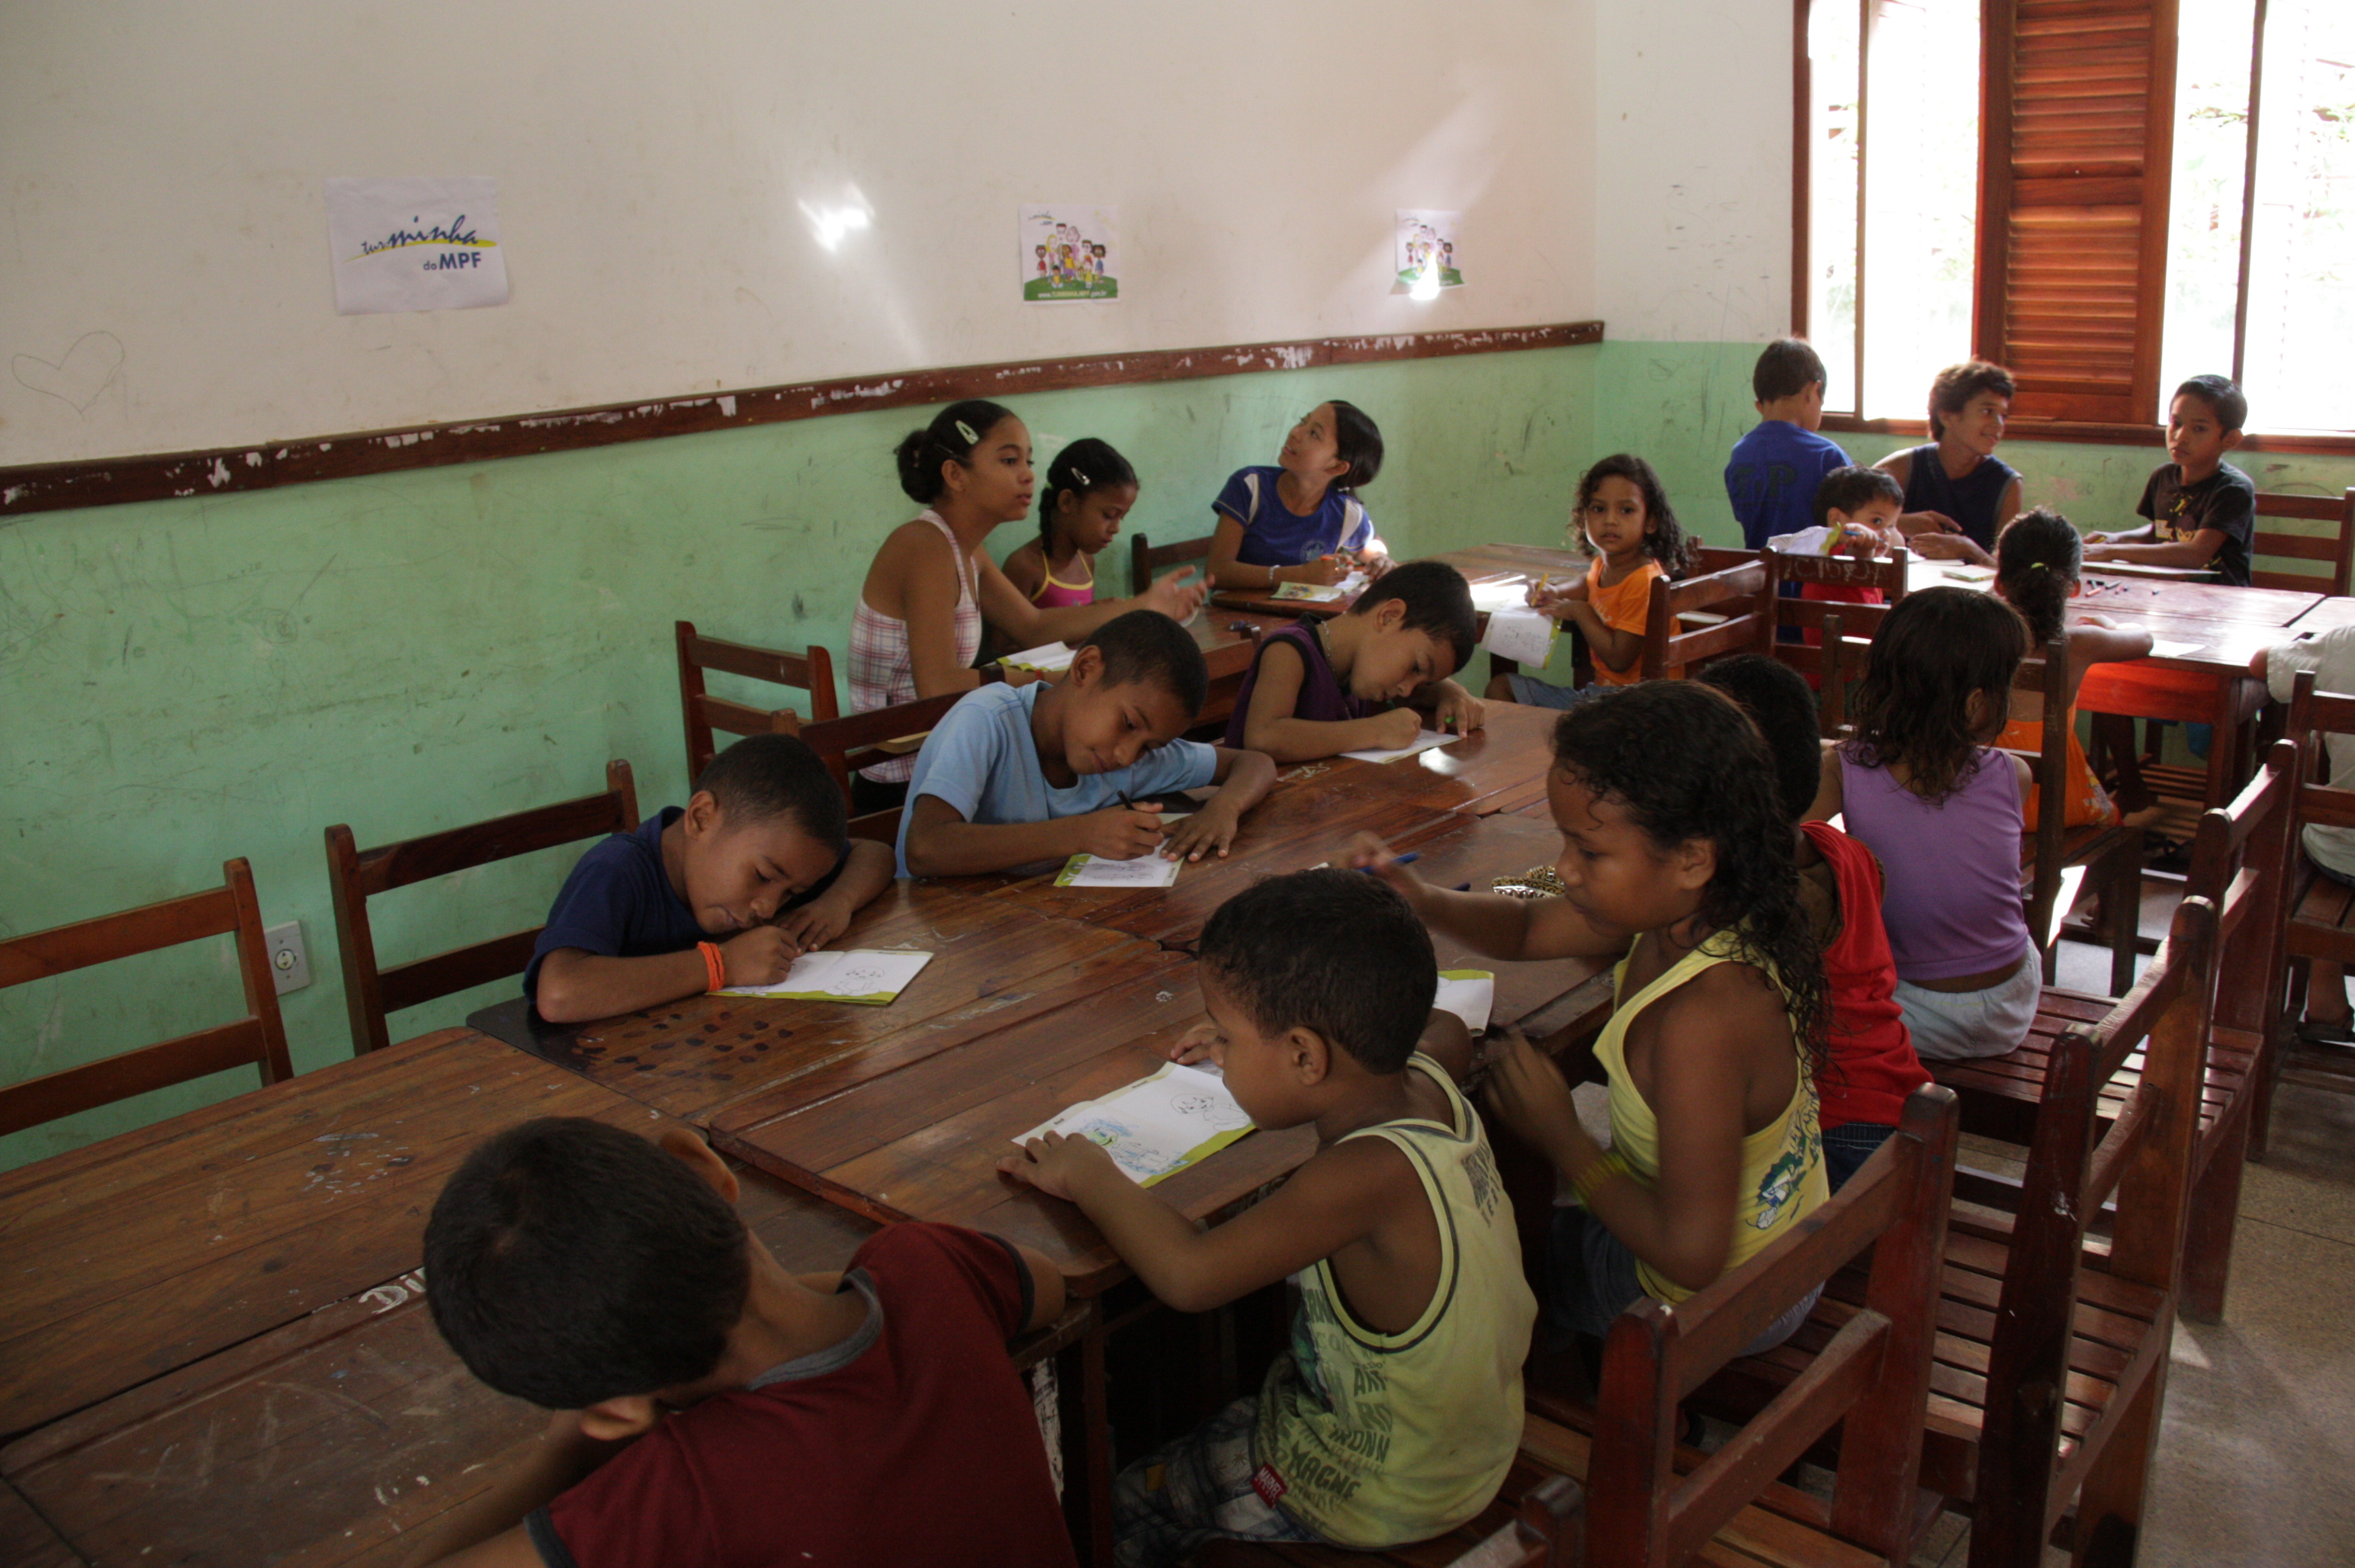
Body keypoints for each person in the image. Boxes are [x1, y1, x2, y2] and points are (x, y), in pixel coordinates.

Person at [1000, 870, 1535, 1565]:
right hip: (1468, 1442)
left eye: (1226, 1039)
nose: (1219, 1054)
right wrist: (1256, 1038)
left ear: (1305, 1056)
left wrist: (1089, 1173)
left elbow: (1191, 1275)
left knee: (1121, 1503)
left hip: (1382, 1488)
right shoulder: (1429, 1074)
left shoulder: (1364, 1175)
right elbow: (1445, 1025)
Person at [1351, 681, 1830, 1351]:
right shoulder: (1694, 913)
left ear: (1693, 858)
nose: (1565, 871)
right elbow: (1525, 928)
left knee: (1466, 1270)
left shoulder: (1703, 1020)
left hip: (1721, 1300)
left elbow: (1691, 1257)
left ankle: (1545, 1382)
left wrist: (1564, 1137)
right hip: (1777, 1248)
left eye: (1589, 852)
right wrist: (1423, 898)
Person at [406, 1118, 1075, 1568]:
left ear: (615, 1410)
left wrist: (566, 1451)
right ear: (705, 1167)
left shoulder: (684, 1490)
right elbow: (1046, 1286)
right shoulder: (929, 1267)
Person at [849, 401, 1206, 814]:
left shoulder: (967, 550)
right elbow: (938, 686)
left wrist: (1140, 605)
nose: (1028, 475)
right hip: (901, 780)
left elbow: (1032, 625)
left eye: (1028, 461)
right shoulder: (924, 545)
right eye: (1009, 460)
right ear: (955, 475)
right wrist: (1050, 678)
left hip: (942, 756)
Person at [1698, 656, 1929, 1190]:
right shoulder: (1848, 852)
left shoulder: (1739, 895)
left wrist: (1531, 883)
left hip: (1829, 1135)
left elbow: (1609, 918)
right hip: (1899, 1107)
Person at [1808, 588, 2039, 1060]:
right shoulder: (2012, 773)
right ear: (1977, 704)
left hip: (1912, 1009)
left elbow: (1776, 845)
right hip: (2013, 1002)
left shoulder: (1844, 768)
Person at [526, 734, 896, 1024]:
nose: (768, 908)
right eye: (762, 876)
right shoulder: (616, 870)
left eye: (790, 894)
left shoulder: (782, 856)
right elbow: (560, 993)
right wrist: (722, 965)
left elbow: (875, 854)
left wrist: (836, 902)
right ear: (701, 818)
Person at [897, 609, 1277, 878]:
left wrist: (1223, 808)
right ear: (1086, 668)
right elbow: (926, 848)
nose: (1127, 755)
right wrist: (1081, 834)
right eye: (1128, 724)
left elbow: (1254, 763)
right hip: (928, 931)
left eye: (1149, 747)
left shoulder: (1129, 756)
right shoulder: (987, 719)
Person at [1226, 558, 1484, 761]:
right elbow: (1264, 737)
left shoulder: (1366, 667)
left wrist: (1451, 693)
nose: (1407, 690)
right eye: (1416, 667)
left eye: (1423, 682)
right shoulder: (1288, 652)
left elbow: (1416, 693)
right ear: (1388, 616)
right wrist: (1374, 731)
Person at [1488, 454, 1693, 708]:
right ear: (1582, 517)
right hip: (1602, 696)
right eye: (1598, 509)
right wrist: (1554, 592)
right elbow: (1587, 583)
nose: (1610, 520)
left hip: (1635, 705)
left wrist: (1581, 612)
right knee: (1502, 686)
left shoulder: (1644, 582)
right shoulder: (1605, 565)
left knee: (1502, 689)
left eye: (1626, 510)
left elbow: (1619, 660)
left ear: (1650, 522)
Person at [1993, 506, 2153, 829]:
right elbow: (2144, 639)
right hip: (2061, 805)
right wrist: (2108, 624)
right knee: (2117, 821)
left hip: (1987, 806)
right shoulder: (2080, 643)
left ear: (1999, 583)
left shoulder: (1978, 632)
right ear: (2075, 586)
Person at [2257, 623, 2355, 1044]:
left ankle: (2325, 988)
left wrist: (2307, 644)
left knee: (2324, 840)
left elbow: (2261, 663)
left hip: (2343, 861)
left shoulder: (2346, 641)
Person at [2084, 374, 2257, 588]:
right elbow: (2159, 531)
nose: (2180, 436)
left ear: (2230, 439)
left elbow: (2195, 554)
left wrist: (2112, 552)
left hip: (2220, 595)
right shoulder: (2163, 476)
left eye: (2199, 428)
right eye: (2176, 423)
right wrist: (2116, 538)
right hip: (2168, 589)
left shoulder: (2233, 489)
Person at [1206, 403, 1390, 591]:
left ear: (1337, 467)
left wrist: (1379, 558)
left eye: (1314, 434)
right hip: (1238, 608)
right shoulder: (1250, 486)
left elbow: (1371, 545)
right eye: (1303, 422)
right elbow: (1217, 572)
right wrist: (1300, 576)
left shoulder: (1345, 513)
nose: (1295, 432)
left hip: (1303, 609)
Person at [1873, 360, 2019, 561]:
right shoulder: (1902, 467)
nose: (1998, 424)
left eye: (2004, 416)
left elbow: (2007, 571)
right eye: (1987, 411)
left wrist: (1970, 550)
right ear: (1947, 417)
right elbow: (1846, 525)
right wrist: (1898, 523)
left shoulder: (2007, 485)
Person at [1724, 338, 1852, 550]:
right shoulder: (1827, 455)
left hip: (1757, 569)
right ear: (1813, 391)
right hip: (1812, 571)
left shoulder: (1740, 453)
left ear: (1759, 405)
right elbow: (1853, 527)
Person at [1001, 437, 1136, 610]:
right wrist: (1090, 614)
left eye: (1121, 518)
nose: (1116, 528)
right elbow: (1010, 629)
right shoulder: (1024, 567)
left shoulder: (1087, 562)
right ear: (1067, 502)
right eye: (1108, 515)